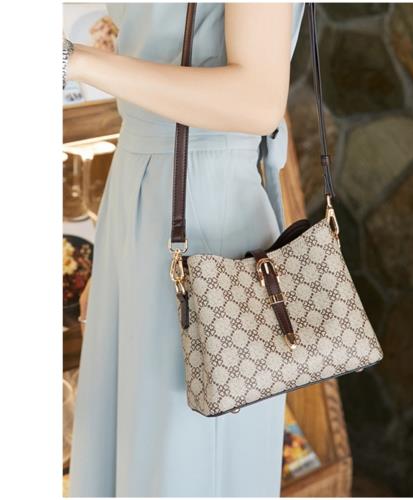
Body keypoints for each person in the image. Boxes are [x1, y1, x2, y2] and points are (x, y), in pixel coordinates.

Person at [65, 3, 305, 497]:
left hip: (200, 212)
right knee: (138, 451)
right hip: (144, 191)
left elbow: (258, 100)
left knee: (180, 460)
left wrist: (75, 60)